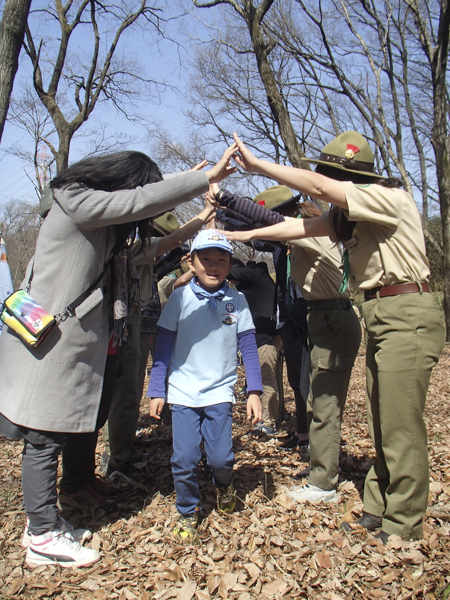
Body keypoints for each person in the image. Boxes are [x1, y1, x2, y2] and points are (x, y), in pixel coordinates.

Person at [0, 145, 237, 568]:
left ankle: (49, 519)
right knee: (42, 439)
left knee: (54, 433)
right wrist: (201, 179)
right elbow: (136, 200)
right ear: (122, 181)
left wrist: (182, 184)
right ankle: (41, 534)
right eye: (140, 186)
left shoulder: (92, 213)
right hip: (50, 340)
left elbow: (139, 212)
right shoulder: (76, 198)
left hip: (63, 340)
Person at [226, 131, 445, 542]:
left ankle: (405, 523)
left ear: (353, 177)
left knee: (400, 425)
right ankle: (380, 508)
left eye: (332, 174)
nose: (326, 182)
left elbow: (322, 189)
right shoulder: (349, 216)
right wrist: (236, 235)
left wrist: (258, 165)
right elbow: (294, 227)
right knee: (383, 421)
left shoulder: (388, 198)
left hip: (407, 310)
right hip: (380, 312)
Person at [213, 185, 361, 499]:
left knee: (320, 397)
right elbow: (257, 228)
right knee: (304, 386)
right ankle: (315, 456)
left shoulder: (308, 232)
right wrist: (223, 215)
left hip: (327, 316)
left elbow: (261, 223)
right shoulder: (289, 240)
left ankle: (323, 474)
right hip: (303, 319)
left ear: (290, 214)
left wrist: (227, 198)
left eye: (277, 218)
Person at [148, 229, 263, 540]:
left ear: (229, 264)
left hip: (220, 392)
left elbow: (249, 348)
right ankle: (187, 510)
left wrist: (254, 391)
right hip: (183, 392)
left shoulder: (237, 301)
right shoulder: (179, 298)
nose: (213, 266)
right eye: (206, 259)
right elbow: (163, 347)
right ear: (192, 262)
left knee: (221, 458)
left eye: (221, 260)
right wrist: (156, 390)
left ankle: (224, 485)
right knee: (184, 459)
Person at [228, 259, 282, 436]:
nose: (233, 283)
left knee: (266, 381)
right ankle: (275, 417)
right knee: (271, 380)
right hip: (268, 336)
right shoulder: (257, 281)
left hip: (265, 338)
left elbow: (230, 272)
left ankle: (268, 423)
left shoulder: (254, 272)